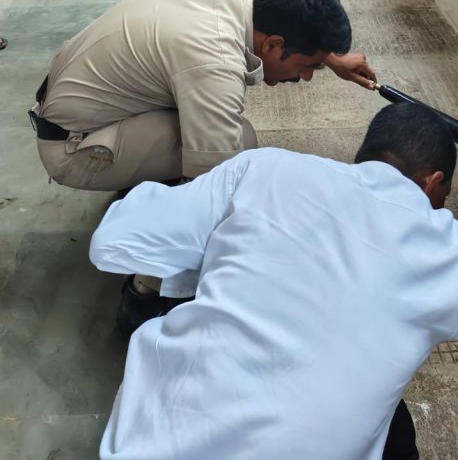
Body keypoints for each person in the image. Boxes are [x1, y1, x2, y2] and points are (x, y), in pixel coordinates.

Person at [90, 101, 457, 460]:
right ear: (433, 182)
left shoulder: (265, 167)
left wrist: (219, 256)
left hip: (151, 444)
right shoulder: (444, 247)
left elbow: (112, 239)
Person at [32, 0, 375, 328]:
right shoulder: (214, 62)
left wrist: (330, 58)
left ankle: (145, 181)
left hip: (78, 104)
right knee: (235, 153)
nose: (305, 77)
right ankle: (146, 291)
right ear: (273, 45)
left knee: (211, 133)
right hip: (71, 147)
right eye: (308, 66)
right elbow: (211, 192)